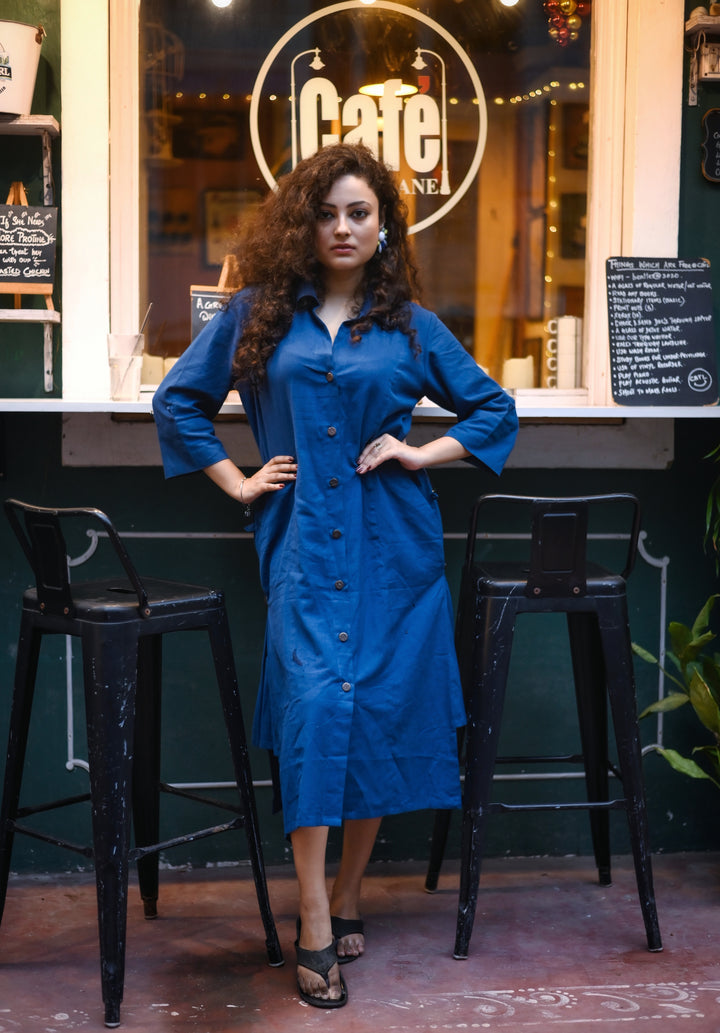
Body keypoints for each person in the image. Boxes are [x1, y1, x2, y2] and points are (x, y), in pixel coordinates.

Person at [153, 142, 518, 1008]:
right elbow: (178, 400)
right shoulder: (256, 314)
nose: (343, 227)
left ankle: (350, 889)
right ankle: (314, 911)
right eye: (327, 213)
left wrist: (419, 449)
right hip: (304, 549)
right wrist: (240, 478)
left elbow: (495, 407)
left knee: (382, 716)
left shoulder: (411, 327)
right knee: (318, 710)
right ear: (303, 225)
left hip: (396, 553)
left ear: (383, 225)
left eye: (359, 212)